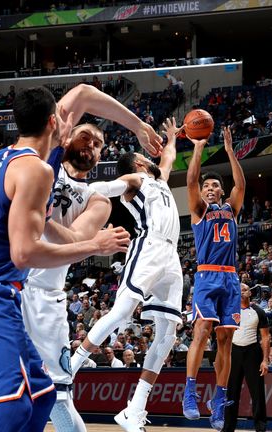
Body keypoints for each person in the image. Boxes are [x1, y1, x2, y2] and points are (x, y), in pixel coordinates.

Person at [0, 87, 131, 432]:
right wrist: (97, 245)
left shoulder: (4, 157)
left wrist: (139, 129)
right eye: (79, 132)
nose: (87, 144)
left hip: (11, 289)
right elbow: (25, 252)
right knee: (10, 409)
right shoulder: (39, 169)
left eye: (96, 143)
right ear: (55, 123)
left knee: (44, 395)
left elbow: (83, 96)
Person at [20, 82, 163, 431]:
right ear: (65, 138)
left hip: (43, 300)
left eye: (99, 145)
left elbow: (76, 241)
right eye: (87, 136)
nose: (93, 145)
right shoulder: (45, 159)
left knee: (58, 397)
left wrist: (37, 214)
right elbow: (83, 93)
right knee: (9, 397)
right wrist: (139, 126)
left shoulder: (97, 198)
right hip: (5, 289)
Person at [69, 118, 183, 432]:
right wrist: (79, 190)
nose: (153, 157)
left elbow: (169, 157)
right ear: (138, 162)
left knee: (168, 334)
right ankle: (73, 364)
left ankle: (134, 409)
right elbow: (106, 187)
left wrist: (172, 137)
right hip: (147, 247)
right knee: (121, 313)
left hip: (171, 255)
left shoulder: (161, 179)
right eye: (146, 157)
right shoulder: (135, 178)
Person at [182, 125, 246, 430]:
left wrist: (231, 152)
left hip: (231, 278)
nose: (208, 188)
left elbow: (241, 185)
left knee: (226, 340)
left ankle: (219, 400)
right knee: (203, 330)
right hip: (207, 276)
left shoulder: (231, 209)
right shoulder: (198, 209)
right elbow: (191, 179)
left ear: (220, 191)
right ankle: (190, 392)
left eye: (214, 186)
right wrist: (198, 147)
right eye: (206, 185)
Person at [222, 283, 270, 432]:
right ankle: (228, 427)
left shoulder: (258, 311)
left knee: (257, 393)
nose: (242, 292)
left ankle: (260, 428)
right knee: (231, 392)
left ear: (250, 293)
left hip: (253, 353)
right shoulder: (229, 310)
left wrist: (265, 360)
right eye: (239, 290)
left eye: (244, 290)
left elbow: (266, 337)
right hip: (234, 353)